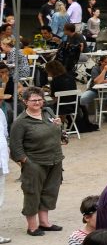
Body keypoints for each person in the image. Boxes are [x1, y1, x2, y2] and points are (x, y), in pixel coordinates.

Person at [9, 86, 65, 236]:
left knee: (50, 191)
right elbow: (15, 146)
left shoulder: (48, 112)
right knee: (32, 192)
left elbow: (58, 130)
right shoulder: (20, 122)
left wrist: (60, 128)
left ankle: (45, 223)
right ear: (25, 101)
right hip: (34, 163)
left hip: (55, 159)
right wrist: (25, 161)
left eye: (40, 99)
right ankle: (32, 227)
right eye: (33, 100)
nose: (38, 102)